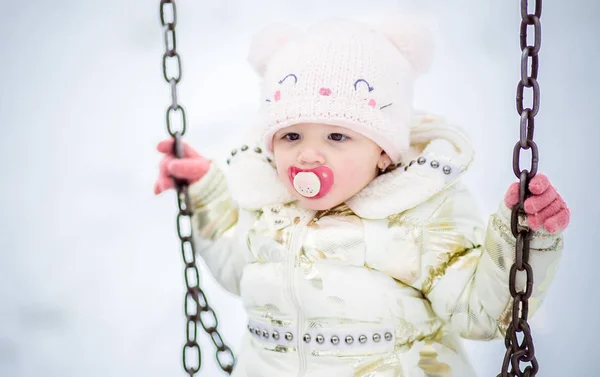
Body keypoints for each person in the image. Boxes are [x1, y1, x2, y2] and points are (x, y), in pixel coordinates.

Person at [154, 18, 570, 377]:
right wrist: (207, 192)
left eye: (337, 136)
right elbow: (232, 266)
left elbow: (479, 312)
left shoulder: (421, 214)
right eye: (291, 135)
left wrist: (523, 238)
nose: (308, 154)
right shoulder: (268, 203)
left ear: (384, 152)